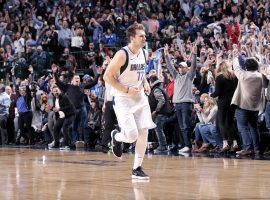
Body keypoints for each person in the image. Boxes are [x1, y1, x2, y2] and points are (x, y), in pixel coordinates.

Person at [103, 23, 156, 180]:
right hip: (123, 98)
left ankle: (137, 168)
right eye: (141, 36)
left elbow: (141, 73)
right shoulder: (122, 54)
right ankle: (116, 137)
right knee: (132, 135)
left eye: (144, 35)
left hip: (140, 98)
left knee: (143, 133)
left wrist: (146, 84)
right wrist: (126, 90)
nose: (144, 38)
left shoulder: (144, 53)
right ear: (132, 38)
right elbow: (107, 76)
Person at [164, 43, 197, 153]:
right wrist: (166, 54)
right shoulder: (176, 76)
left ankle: (188, 145)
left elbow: (194, 66)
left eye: (183, 67)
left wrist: (194, 54)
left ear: (187, 69)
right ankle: (184, 144)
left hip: (186, 104)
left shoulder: (189, 76)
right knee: (181, 126)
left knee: (185, 125)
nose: (180, 68)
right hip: (177, 104)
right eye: (179, 67)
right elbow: (169, 66)